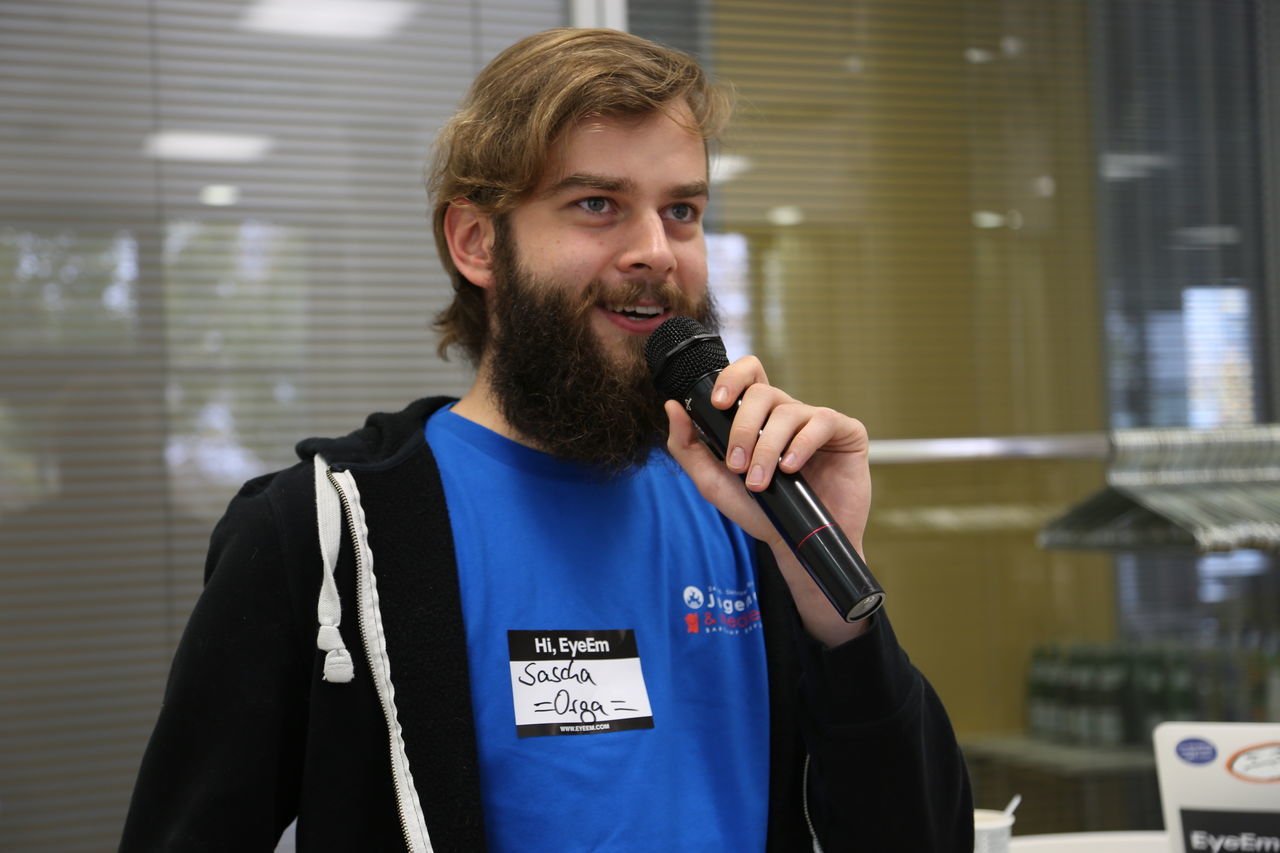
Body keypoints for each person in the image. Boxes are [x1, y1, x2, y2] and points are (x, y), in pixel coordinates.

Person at [121, 27, 972, 852]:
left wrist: (839, 612)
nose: (654, 251)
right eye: (596, 204)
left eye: (682, 210)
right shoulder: (319, 538)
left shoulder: (751, 514)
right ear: (477, 241)